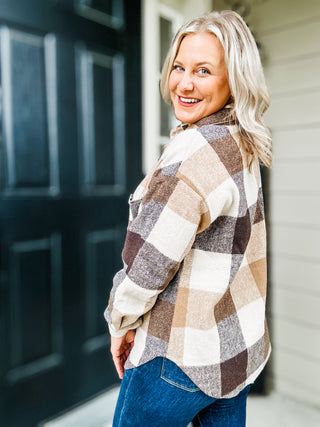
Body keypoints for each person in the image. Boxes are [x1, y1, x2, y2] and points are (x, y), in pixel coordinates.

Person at [104, 9, 272, 427]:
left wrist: (119, 322)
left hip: (176, 357)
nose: (184, 83)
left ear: (233, 79)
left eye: (203, 70)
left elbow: (148, 263)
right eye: (179, 67)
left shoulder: (195, 151)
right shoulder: (242, 140)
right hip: (235, 352)